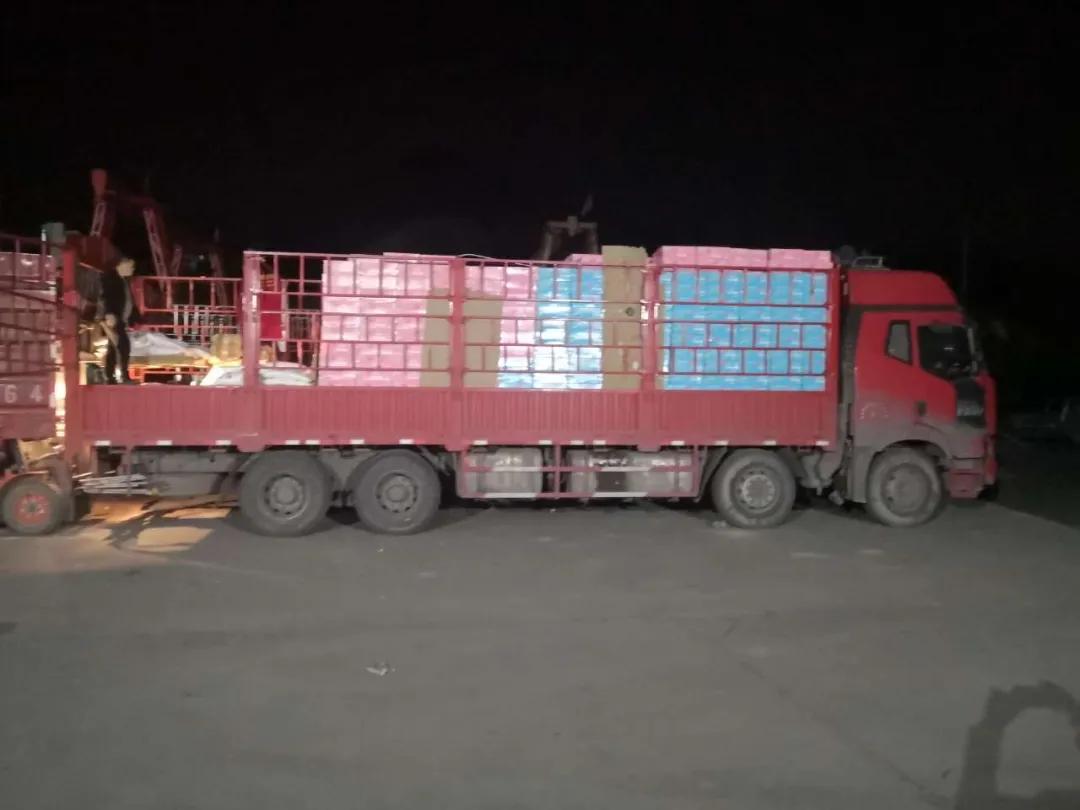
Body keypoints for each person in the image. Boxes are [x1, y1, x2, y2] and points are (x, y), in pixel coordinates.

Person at [96, 257, 141, 384]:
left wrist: (135, 316)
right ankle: (123, 376)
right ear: (122, 265)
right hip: (114, 318)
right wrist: (109, 313)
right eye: (131, 267)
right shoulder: (110, 279)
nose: (132, 270)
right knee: (123, 346)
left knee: (114, 348)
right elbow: (106, 297)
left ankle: (110, 376)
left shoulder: (123, 280)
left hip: (118, 318)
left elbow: (128, 300)